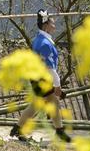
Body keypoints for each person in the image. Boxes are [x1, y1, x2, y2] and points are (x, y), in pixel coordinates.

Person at [10, 10, 72, 143]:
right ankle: (18, 128)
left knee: (52, 103)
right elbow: (49, 68)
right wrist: (57, 86)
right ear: (46, 25)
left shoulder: (40, 40)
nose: (55, 26)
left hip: (38, 77)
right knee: (38, 104)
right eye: (53, 23)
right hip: (43, 78)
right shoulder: (45, 44)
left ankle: (59, 131)